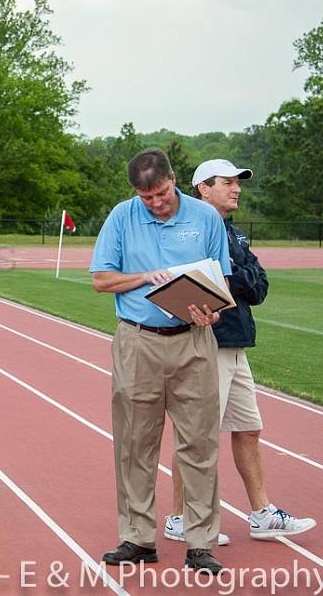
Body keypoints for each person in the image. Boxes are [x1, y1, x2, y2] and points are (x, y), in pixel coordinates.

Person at [90, 149, 231, 574]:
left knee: (199, 444)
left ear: (174, 180)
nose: (155, 202)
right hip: (138, 341)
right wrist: (145, 277)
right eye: (146, 196)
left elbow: (222, 283)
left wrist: (214, 311)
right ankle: (138, 537)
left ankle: (200, 542)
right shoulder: (121, 216)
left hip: (194, 340)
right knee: (135, 443)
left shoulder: (206, 218)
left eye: (161, 193)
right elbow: (101, 279)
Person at [163, 159, 316, 544]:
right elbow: (193, 285)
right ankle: (180, 518)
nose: (237, 189)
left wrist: (232, 276)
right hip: (206, 343)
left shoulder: (234, 234)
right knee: (197, 436)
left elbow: (258, 285)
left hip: (237, 343)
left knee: (248, 430)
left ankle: (262, 514)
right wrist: (231, 279)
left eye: (237, 183)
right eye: (227, 183)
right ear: (203, 188)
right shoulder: (190, 231)